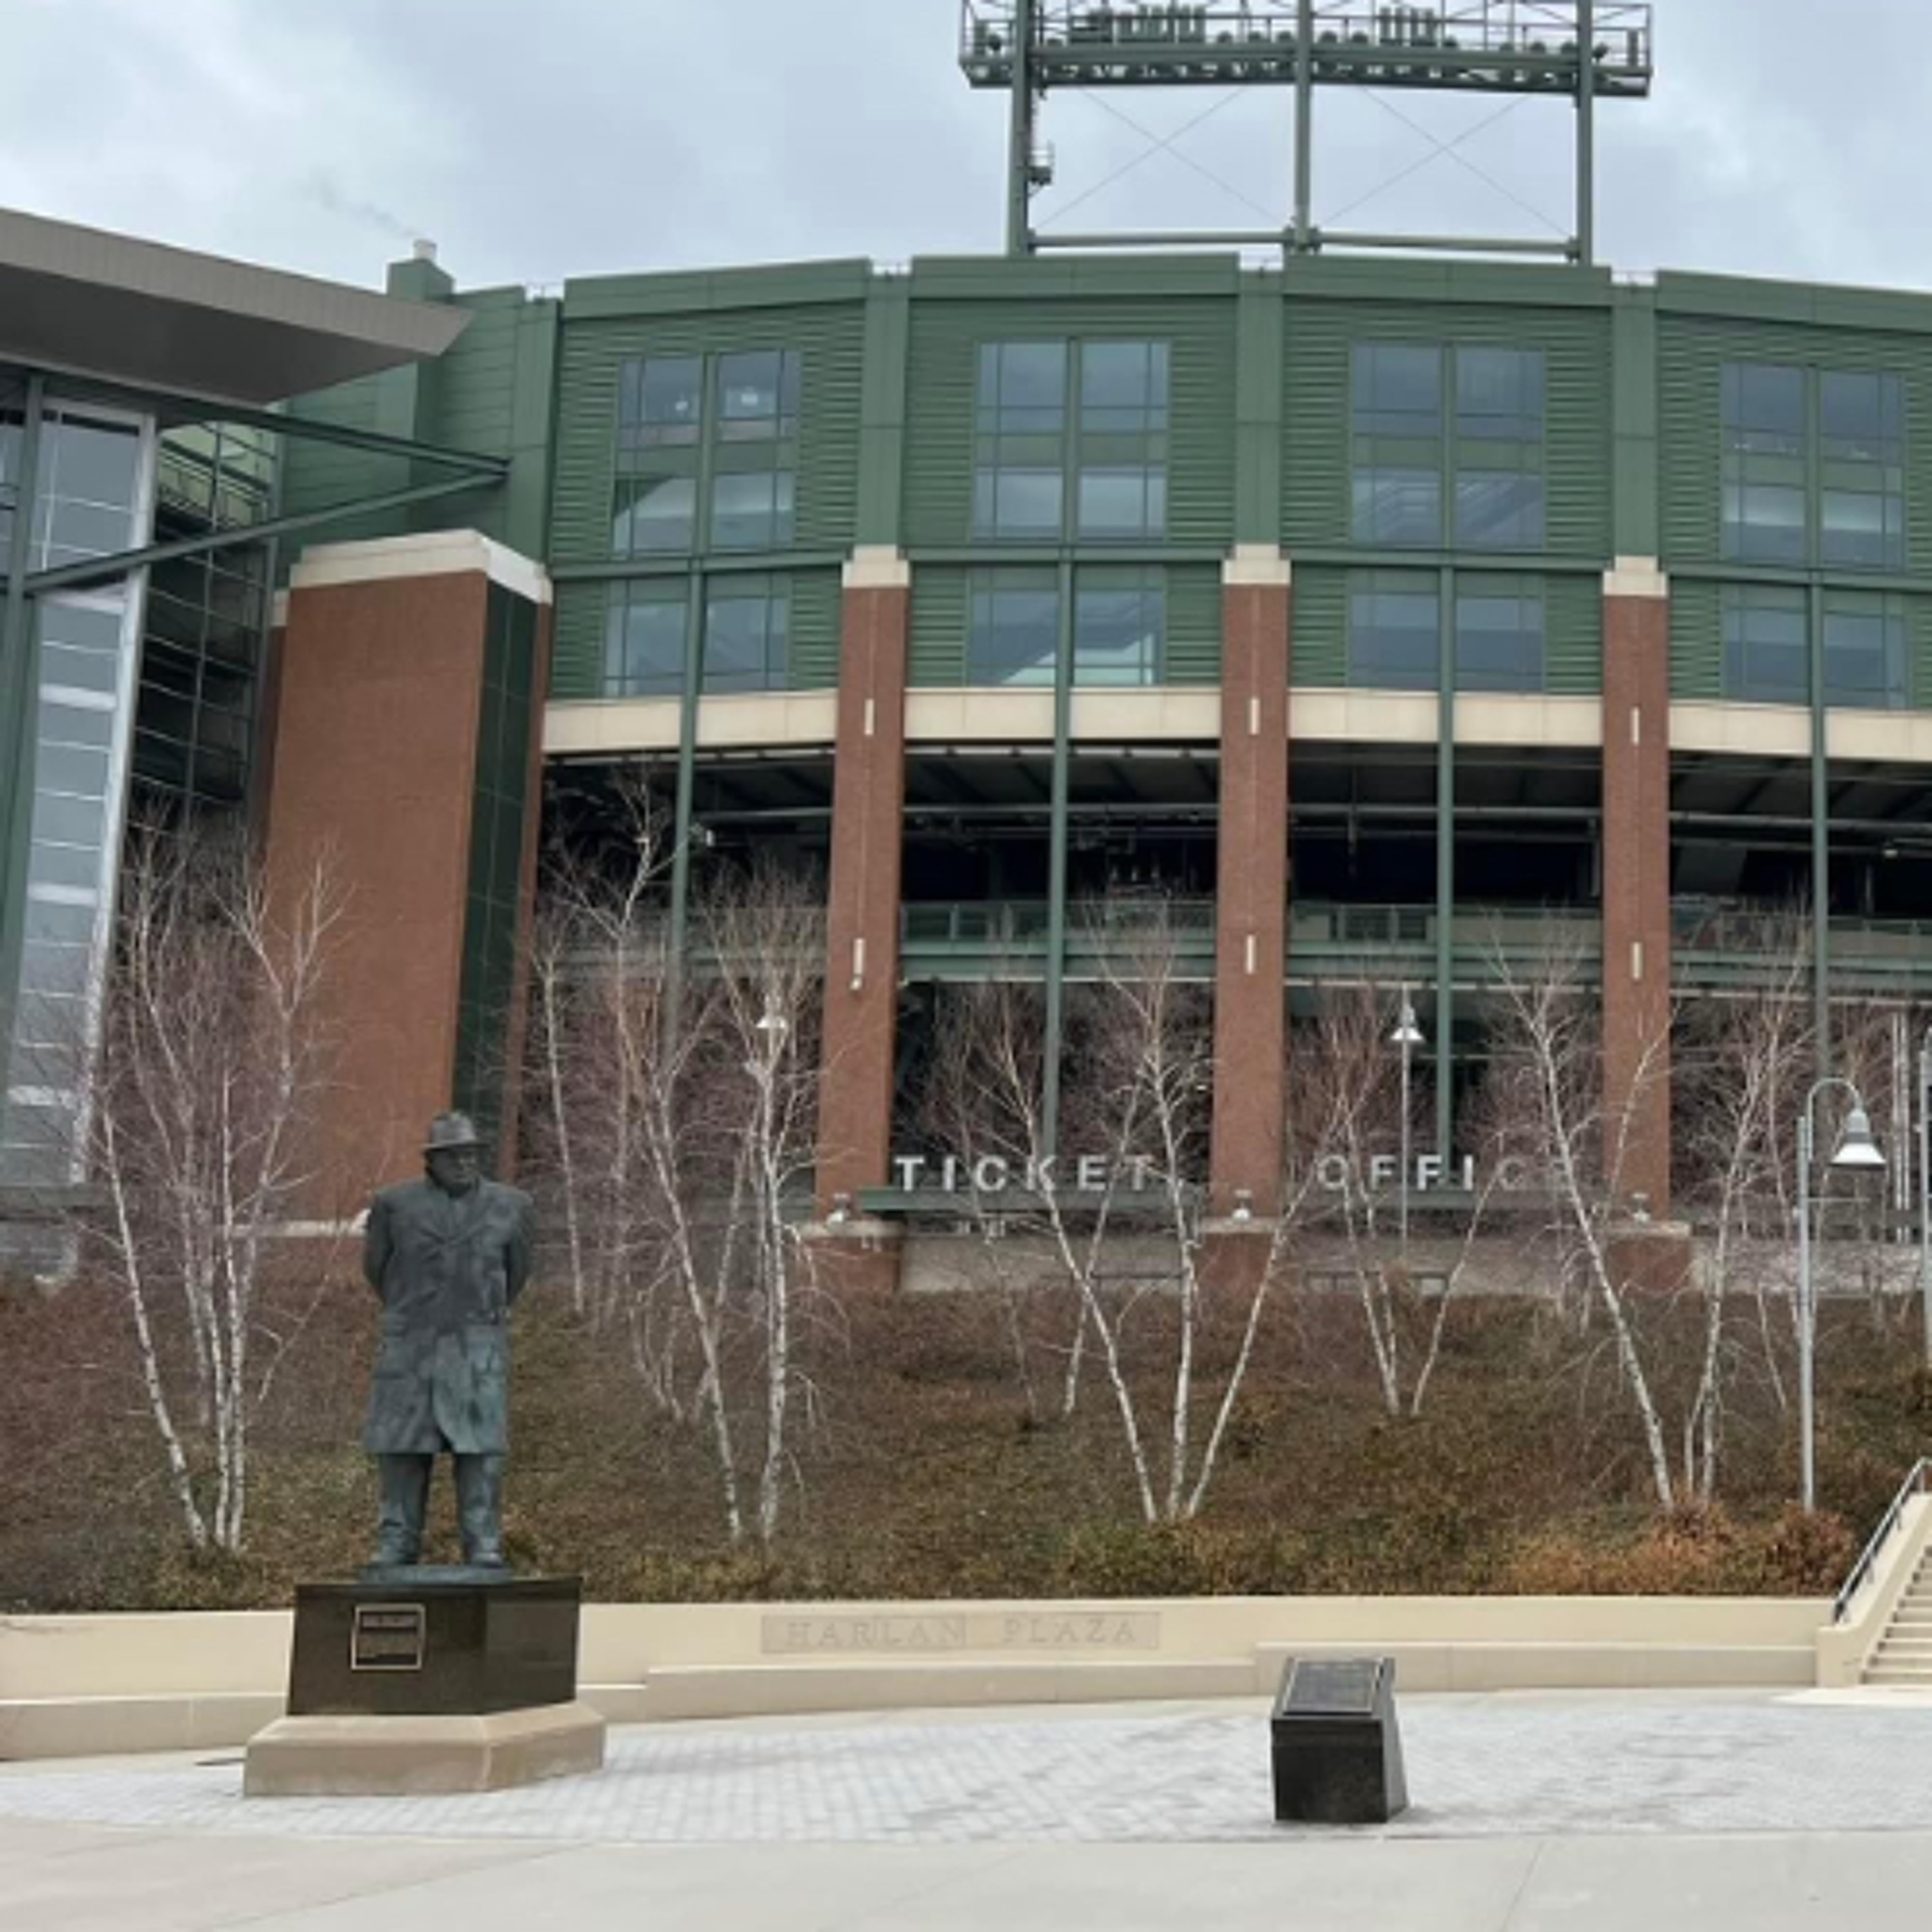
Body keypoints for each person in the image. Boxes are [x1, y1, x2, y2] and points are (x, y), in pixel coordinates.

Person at [361, 1111, 535, 1571]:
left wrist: (471, 1317)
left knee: (480, 1455)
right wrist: (419, 1315)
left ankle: (483, 1542)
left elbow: (516, 1275)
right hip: (410, 1347)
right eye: (452, 1156)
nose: (463, 1163)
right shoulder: (394, 1205)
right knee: (401, 1452)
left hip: (477, 1350)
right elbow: (377, 1270)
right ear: (431, 1161)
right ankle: (397, 1541)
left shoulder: (512, 1206)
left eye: (471, 1154)